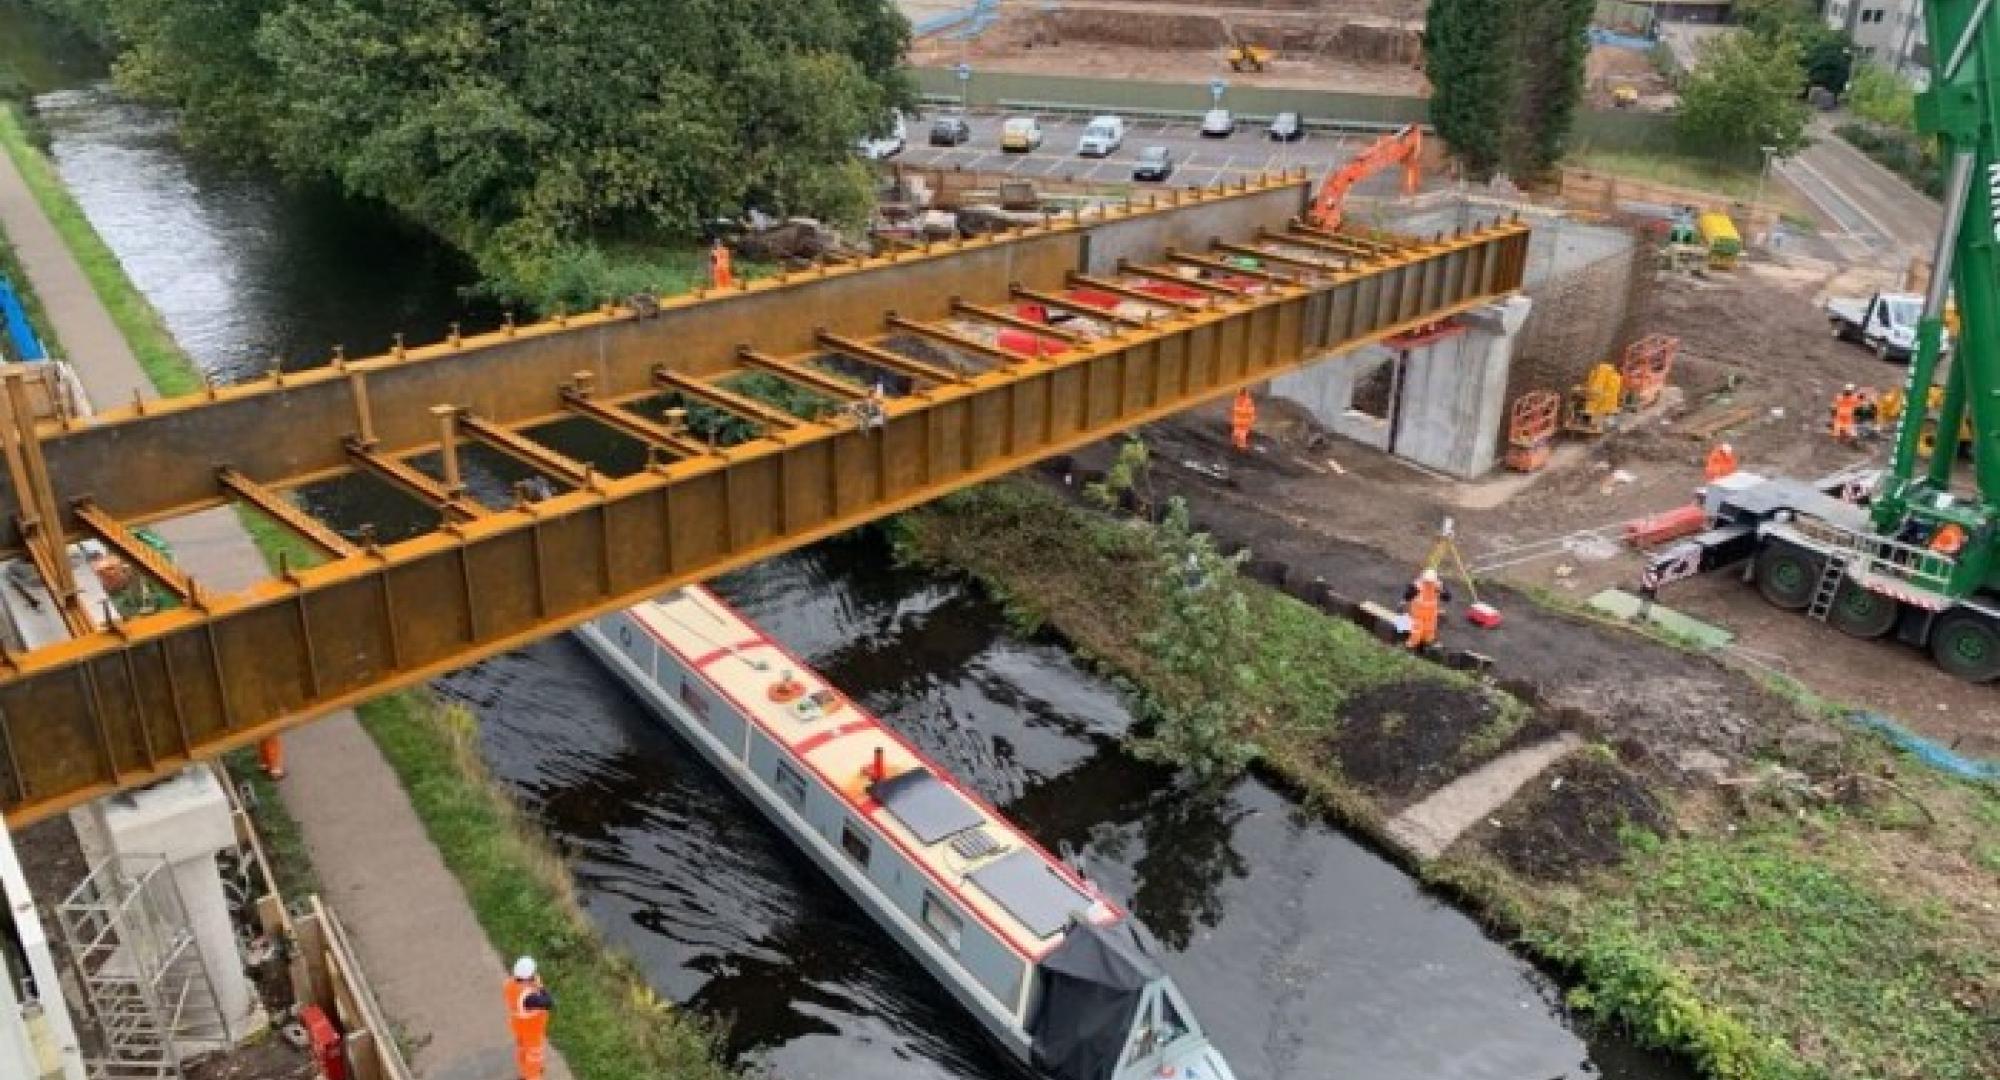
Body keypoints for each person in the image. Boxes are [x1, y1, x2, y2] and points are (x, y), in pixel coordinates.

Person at [505, 956, 553, 1080]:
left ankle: (524, 1073)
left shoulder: (509, 984)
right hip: (532, 1031)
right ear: (529, 976)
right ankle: (532, 1075)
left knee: (522, 1051)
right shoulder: (529, 997)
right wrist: (541, 987)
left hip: (518, 1026)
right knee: (534, 1056)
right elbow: (548, 1002)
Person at [1402, 568, 1451, 651]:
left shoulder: (1438, 586)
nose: (1429, 584)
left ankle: (1426, 645)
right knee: (1416, 631)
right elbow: (1407, 596)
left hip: (1431, 615)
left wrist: (1442, 592)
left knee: (1429, 631)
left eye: (1431, 582)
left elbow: (1447, 597)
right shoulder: (1417, 586)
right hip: (1418, 615)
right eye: (1428, 581)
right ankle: (1410, 646)